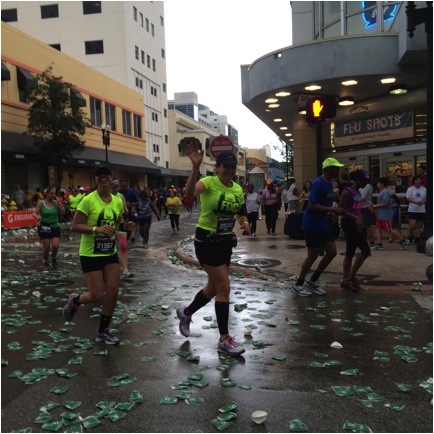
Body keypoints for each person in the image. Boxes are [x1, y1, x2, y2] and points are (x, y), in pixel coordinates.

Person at [176, 146, 250, 357]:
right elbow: (189, 195)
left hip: (225, 243)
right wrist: (195, 167)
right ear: (217, 168)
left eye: (233, 167)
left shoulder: (237, 188)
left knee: (213, 288)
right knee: (224, 287)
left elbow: (241, 213)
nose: (230, 170)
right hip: (206, 241)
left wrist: (245, 224)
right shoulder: (209, 183)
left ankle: (186, 312)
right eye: (226, 167)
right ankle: (224, 339)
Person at [63, 165, 134, 345]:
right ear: (95, 180)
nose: (104, 178)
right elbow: (75, 225)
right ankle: (75, 299)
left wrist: (126, 228)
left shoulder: (117, 201)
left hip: (109, 251)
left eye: (106, 175)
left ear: (111, 179)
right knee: (96, 295)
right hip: (90, 254)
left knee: (113, 291)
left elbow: (116, 225)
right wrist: (96, 229)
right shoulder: (88, 200)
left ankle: (103, 331)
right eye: (100, 176)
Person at [292, 158, 347, 297]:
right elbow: (312, 205)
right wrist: (333, 210)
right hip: (312, 224)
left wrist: (330, 212)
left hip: (323, 223)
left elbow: (325, 203)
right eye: (336, 168)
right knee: (313, 255)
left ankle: (314, 279)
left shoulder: (329, 184)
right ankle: (299, 284)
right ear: (328, 169)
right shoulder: (318, 183)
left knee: (332, 252)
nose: (339, 170)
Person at [338, 170, 371, 292]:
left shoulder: (358, 192)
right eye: (364, 181)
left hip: (356, 223)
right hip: (348, 222)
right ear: (357, 180)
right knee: (365, 250)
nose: (365, 184)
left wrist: (360, 219)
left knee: (350, 252)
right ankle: (350, 277)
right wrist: (355, 218)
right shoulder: (348, 192)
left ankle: (346, 279)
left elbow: (358, 209)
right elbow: (341, 210)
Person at [371, 177, 409, 251]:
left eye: (378, 183)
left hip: (385, 215)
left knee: (389, 229)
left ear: (382, 184)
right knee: (378, 228)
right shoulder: (382, 192)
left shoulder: (385, 192)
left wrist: (375, 205)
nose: (377, 185)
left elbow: (385, 203)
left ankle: (402, 240)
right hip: (380, 215)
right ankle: (379, 244)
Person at [32, 185, 66, 267]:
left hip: (54, 226)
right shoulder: (41, 203)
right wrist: (37, 217)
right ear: (46, 194)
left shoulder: (56, 203)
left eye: (54, 193)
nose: (53, 195)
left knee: (55, 245)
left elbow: (63, 213)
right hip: (44, 227)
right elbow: (34, 213)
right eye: (51, 193)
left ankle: (53, 256)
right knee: (46, 246)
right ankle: (45, 259)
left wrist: (59, 205)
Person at [111, 179, 134, 279]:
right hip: (109, 226)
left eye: (117, 187)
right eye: (114, 187)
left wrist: (126, 209)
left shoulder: (121, 196)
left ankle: (125, 269)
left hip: (120, 224)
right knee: (110, 249)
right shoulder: (106, 197)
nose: (116, 189)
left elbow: (125, 210)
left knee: (123, 246)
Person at [406, 175, 427, 245]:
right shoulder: (410, 189)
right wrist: (416, 202)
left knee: (419, 225)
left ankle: (417, 239)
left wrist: (422, 202)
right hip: (412, 209)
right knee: (412, 225)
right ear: (414, 181)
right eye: (416, 180)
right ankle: (410, 237)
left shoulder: (424, 189)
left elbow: (426, 198)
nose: (418, 181)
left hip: (421, 210)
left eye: (419, 179)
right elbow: (408, 198)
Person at [360, 175, 376, 248]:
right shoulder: (365, 186)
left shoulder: (366, 186)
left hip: (365, 208)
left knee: (367, 226)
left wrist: (354, 198)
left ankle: (371, 242)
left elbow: (362, 197)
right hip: (363, 208)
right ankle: (363, 241)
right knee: (362, 225)